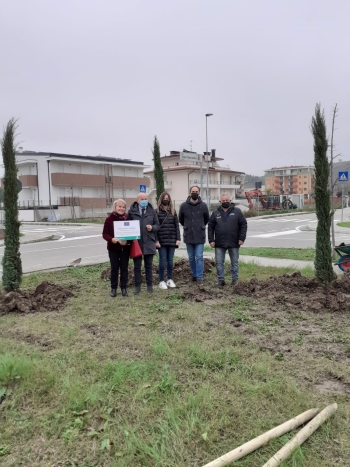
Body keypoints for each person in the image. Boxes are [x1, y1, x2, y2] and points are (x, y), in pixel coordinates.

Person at [208, 193, 247, 286]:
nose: (225, 202)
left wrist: (242, 238)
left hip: (234, 242)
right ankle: (221, 280)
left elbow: (243, 224)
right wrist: (211, 240)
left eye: (227, 200)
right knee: (219, 263)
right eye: (223, 201)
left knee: (234, 263)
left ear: (230, 201)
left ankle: (235, 280)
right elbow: (210, 227)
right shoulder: (215, 213)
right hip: (219, 242)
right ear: (220, 202)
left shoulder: (237, 211)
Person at [128, 192, 159, 294]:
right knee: (137, 266)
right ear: (137, 200)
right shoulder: (131, 212)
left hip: (149, 241)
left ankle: (149, 286)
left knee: (149, 265)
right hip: (136, 243)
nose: (144, 201)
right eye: (142, 199)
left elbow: (157, 225)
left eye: (145, 199)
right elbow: (127, 225)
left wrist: (152, 228)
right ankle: (137, 286)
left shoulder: (152, 211)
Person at [179, 185, 209, 284]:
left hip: (200, 235)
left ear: (199, 193)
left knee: (199, 257)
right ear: (190, 193)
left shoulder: (204, 205)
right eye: (193, 191)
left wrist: (198, 226)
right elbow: (181, 220)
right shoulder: (184, 206)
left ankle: (199, 277)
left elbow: (206, 219)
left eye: (196, 191)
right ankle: (194, 275)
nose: (194, 193)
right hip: (188, 235)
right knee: (191, 257)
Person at [102, 199, 131, 297]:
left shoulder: (128, 219)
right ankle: (113, 288)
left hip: (124, 249)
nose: (121, 209)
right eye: (119, 206)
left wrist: (127, 241)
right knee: (114, 268)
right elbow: (105, 234)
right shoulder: (109, 219)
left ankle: (124, 288)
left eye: (123, 207)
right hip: (113, 249)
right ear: (115, 207)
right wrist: (112, 239)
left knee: (124, 268)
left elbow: (132, 234)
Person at [155, 192, 181, 289]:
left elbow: (176, 226)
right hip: (161, 241)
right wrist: (156, 241)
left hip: (171, 240)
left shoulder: (173, 211)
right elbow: (155, 228)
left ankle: (169, 279)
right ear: (160, 199)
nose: (166, 199)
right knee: (162, 261)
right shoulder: (156, 211)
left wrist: (178, 238)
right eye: (164, 198)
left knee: (170, 261)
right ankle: (161, 280)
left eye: (167, 198)